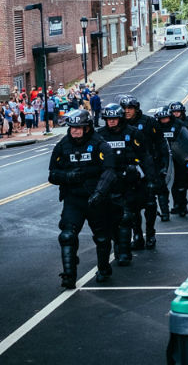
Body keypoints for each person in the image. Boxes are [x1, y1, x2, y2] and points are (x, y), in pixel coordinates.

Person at [47, 109, 117, 288]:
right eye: (72, 128)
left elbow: (109, 171)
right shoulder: (63, 146)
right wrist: (68, 176)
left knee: (102, 238)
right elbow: (52, 175)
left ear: (87, 128)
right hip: (74, 199)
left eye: (79, 127)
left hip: (96, 198)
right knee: (67, 236)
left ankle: (103, 268)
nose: (75, 131)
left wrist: (100, 193)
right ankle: (69, 275)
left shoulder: (100, 144)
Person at [97, 103, 156, 266]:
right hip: (109, 183)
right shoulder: (99, 136)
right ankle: (119, 248)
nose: (111, 122)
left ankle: (125, 252)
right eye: (108, 119)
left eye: (114, 118)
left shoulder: (133, 133)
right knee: (110, 219)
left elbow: (146, 157)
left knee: (127, 216)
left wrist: (151, 180)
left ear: (120, 118)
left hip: (131, 182)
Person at [120, 94, 163, 249]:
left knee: (150, 203)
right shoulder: (120, 125)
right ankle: (137, 235)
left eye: (130, 108)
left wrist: (161, 167)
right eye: (124, 108)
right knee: (132, 207)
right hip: (129, 172)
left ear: (136, 108)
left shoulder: (148, 122)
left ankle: (150, 234)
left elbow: (160, 144)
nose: (126, 111)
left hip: (148, 168)